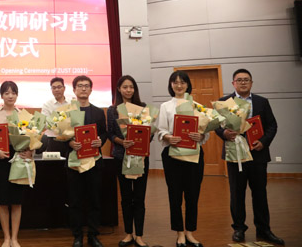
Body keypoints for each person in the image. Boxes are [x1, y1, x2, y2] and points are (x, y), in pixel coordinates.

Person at [215, 69, 283, 245]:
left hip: (258, 153)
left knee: (260, 193)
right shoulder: (224, 102)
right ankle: (239, 228)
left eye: (246, 80)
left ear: (251, 83)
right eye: (239, 80)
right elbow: (216, 126)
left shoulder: (262, 102)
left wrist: (263, 142)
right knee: (236, 193)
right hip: (235, 154)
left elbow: (272, 125)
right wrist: (224, 133)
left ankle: (264, 229)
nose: (243, 82)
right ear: (233, 83)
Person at [157, 71, 207, 247]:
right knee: (175, 196)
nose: (179, 85)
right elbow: (161, 130)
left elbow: (205, 132)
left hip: (194, 156)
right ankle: (179, 233)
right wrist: (168, 137)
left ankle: (190, 233)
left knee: (193, 196)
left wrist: (201, 136)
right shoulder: (165, 106)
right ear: (171, 85)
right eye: (175, 82)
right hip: (173, 156)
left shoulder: (198, 106)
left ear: (188, 84)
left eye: (182, 82)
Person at [0, 81, 32, 247]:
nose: (10, 96)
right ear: (1, 95)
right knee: (3, 201)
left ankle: (14, 238)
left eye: (13, 93)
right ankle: (6, 237)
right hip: (1, 160)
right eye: (6, 93)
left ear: (17, 95)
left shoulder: (23, 115)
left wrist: (30, 151)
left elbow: (31, 137)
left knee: (17, 201)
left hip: (18, 159)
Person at [62, 75, 107, 247]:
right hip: (74, 163)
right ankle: (77, 236)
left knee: (94, 200)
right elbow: (61, 135)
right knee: (75, 201)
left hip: (94, 162)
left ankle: (93, 235)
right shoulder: (67, 112)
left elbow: (104, 133)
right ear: (74, 90)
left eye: (86, 85)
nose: (83, 88)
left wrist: (101, 141)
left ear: (91, 89)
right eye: (80, 86)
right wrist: (69, 143)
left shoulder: (98, 112)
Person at [106, 75, 150, 247]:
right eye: (125, 87)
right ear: (119, 89)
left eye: (131, 87)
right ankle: (128, 233)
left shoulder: (143, 107)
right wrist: (121, 142)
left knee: (139, 197)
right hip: (121, 157)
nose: (128, 90)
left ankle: (139, 235)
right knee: (125, 197)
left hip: (140, 157)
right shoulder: (113, 110)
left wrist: (142, 140)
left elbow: (149, 133)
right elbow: (110, 134)